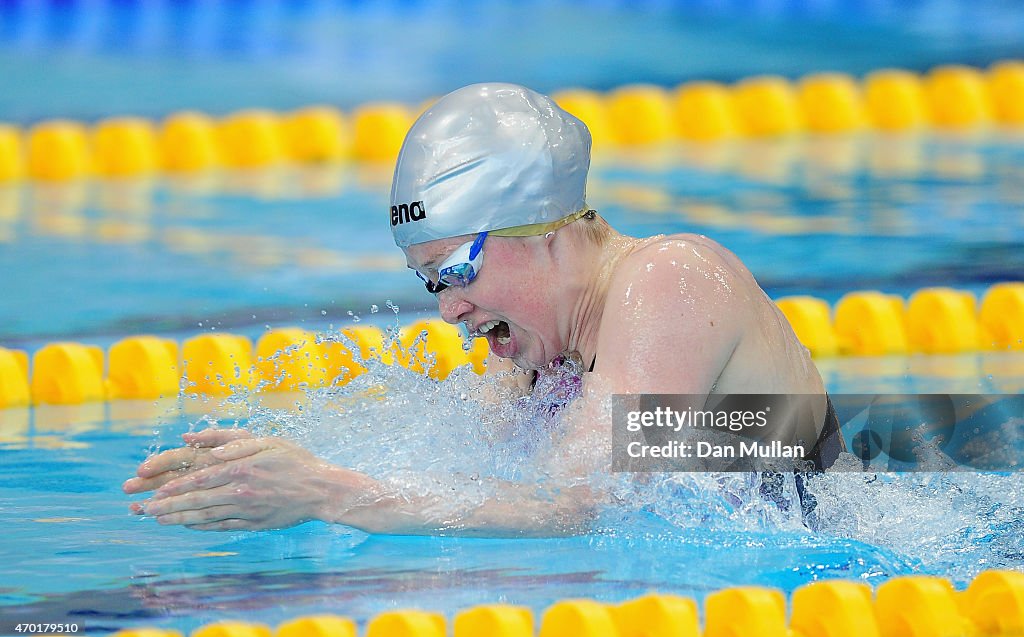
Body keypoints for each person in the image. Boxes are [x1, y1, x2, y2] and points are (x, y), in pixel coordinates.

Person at [123, 83, 843, 535]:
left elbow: (576, 504)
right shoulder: (538, 355)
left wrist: (327, 492)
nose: (448, 308)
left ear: (549, 230)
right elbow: (480, 486)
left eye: (456, 269)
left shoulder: (670, 281)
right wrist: (261, 478)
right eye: (429, 282)